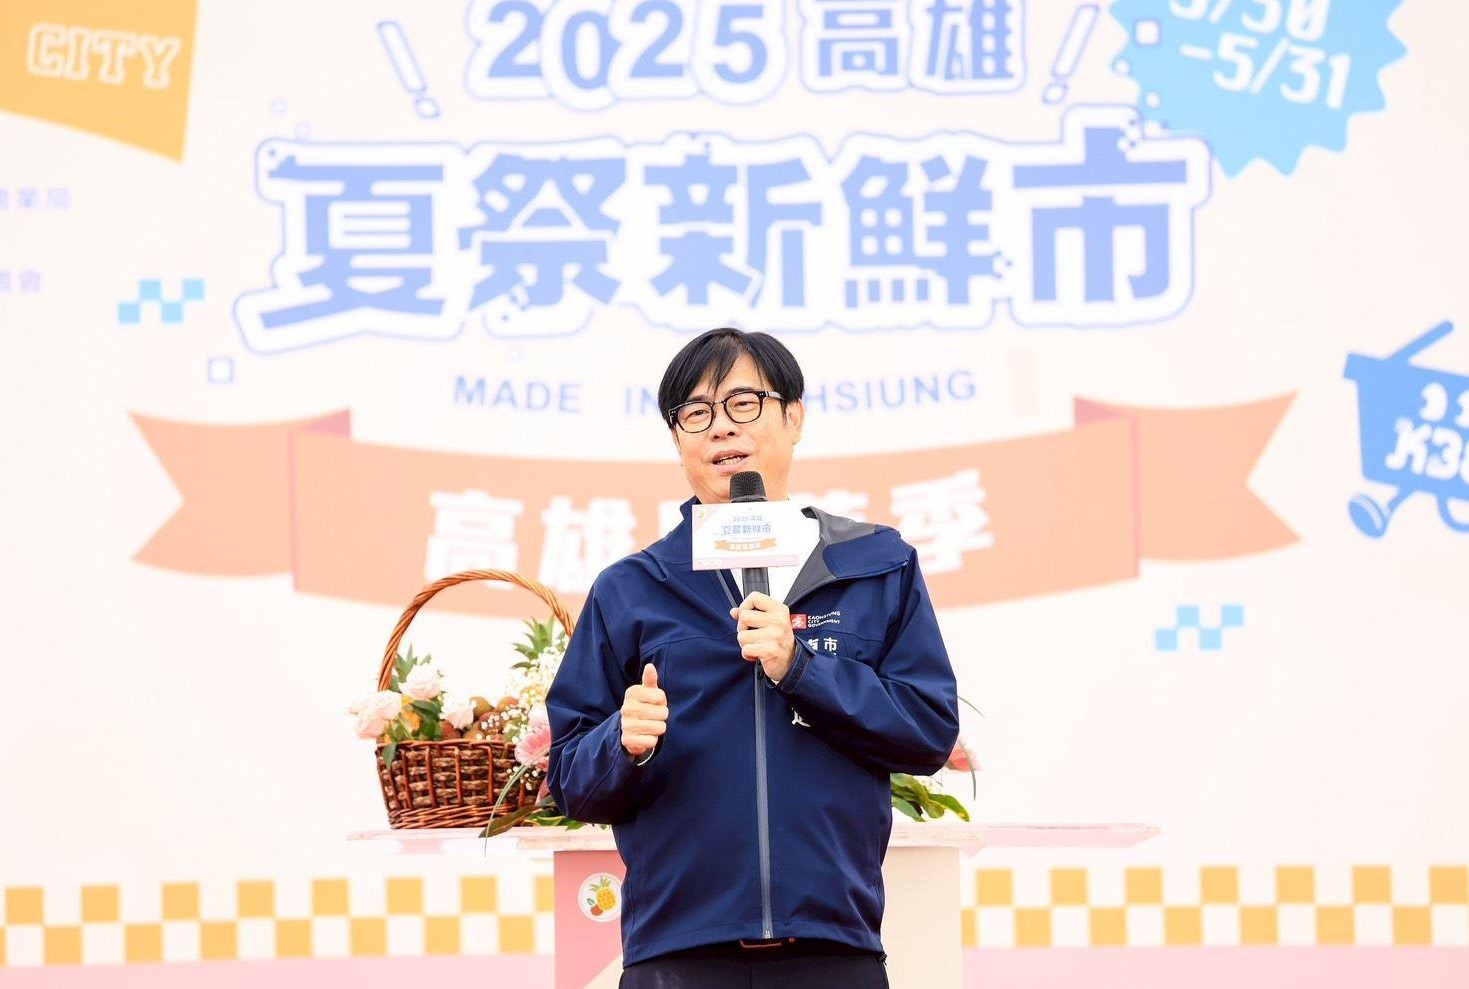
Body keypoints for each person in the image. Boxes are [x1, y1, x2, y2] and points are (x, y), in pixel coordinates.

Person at [545, 327, 960, 988]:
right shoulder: (632, 588)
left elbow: (927, 733)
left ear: (794, 417)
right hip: (677, 952)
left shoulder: (876, 566)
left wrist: (803, 670)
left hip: (833, 945)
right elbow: (568, 779)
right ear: (677, 438)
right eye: (695, 412)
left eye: (743, 403)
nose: (720, 427)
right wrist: (621, 742)